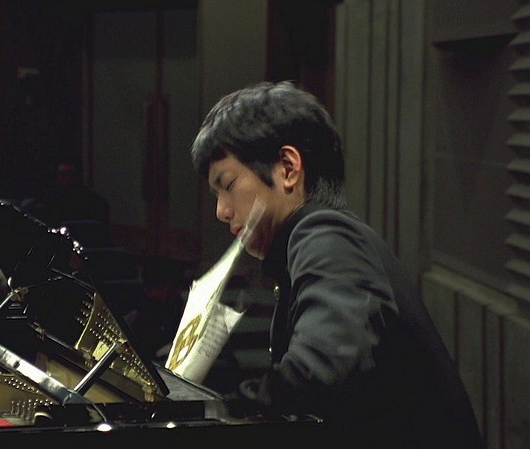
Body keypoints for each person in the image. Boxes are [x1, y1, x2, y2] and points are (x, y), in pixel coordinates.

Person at [189, 81, 482, 449]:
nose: (221, 210)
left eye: (228, 184)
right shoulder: (316, 240)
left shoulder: (326, 235)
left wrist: (223, 413)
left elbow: (319, 370)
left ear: (288, 168)